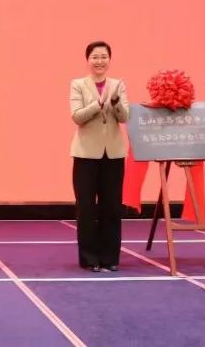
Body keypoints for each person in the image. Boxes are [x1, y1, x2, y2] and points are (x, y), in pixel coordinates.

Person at [69, 41, 129, 272]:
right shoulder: (78, 84)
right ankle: (89, 258)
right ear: (88, 60)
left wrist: (115, 102)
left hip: (113, 153)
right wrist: (99, 103)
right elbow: (77, 116)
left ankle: (110, 257)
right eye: (95, 57)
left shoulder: (118, 85)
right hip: (86, 154)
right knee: (86, 207)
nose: (99, 61)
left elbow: (124, 117)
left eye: (104, 56)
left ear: (109, 59)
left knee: (112, 207)